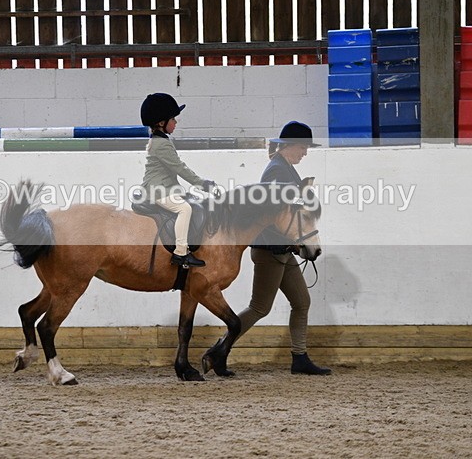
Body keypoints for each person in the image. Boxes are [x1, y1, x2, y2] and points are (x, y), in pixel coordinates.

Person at [223, 121, 331, 375]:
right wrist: (294, 241)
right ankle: (220, 348)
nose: (305, 152)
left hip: (283, 250)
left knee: (302, 301)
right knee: (259, 308)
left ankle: (300, 358)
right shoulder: (277, 173)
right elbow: (269, 216)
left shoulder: (287, 170)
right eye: (303, 147)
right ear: (289, 146)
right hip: (270, 250)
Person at [140, 93, 215, 268]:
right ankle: (181, 253)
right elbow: (179, 168)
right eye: (173, 119)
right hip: (157, 191)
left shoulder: (159, 141)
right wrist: (202, 183)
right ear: (161, 123)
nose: (176, 122)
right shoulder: (162, 144)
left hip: (165, 187)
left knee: (191, 202)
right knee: (184, 209)